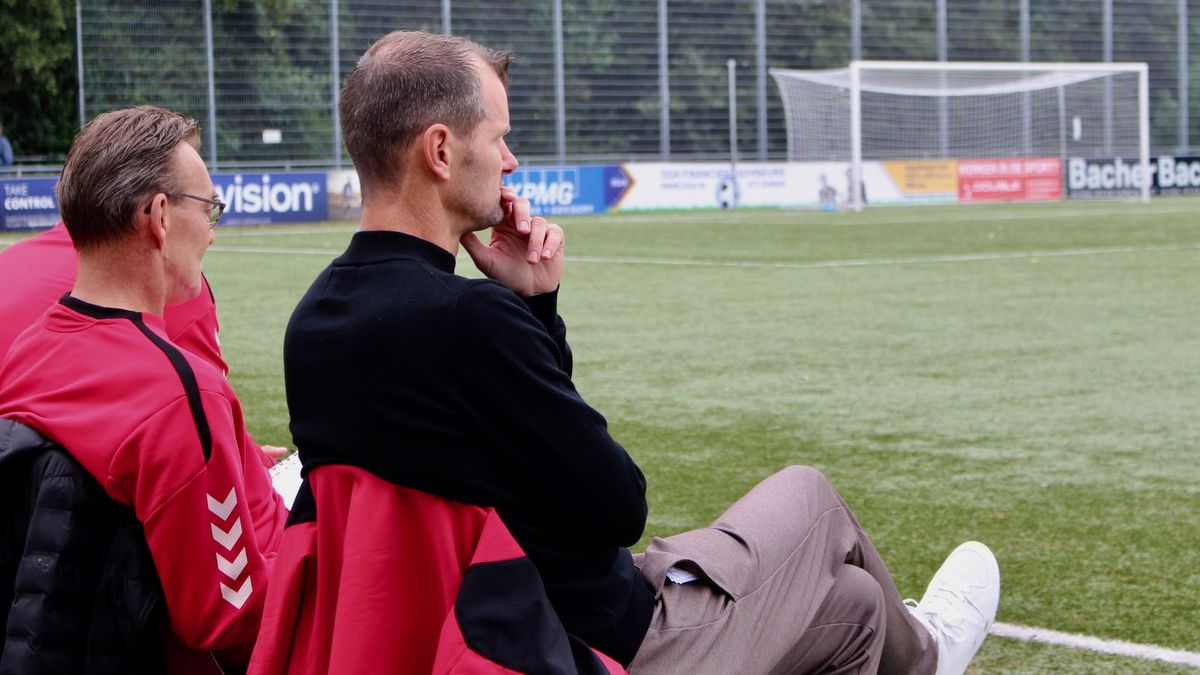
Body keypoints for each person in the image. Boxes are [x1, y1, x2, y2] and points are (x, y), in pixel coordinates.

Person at [283, 31, 999, 675]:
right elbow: (616, 505)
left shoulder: (311, 324)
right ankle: (929, 653)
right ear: (440, 151)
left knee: (855, 608)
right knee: (810, 497)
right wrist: (531, 311)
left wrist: (527, 307)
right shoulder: (468, 320)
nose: (510, 159)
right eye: (498, 137)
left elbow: (494, 477)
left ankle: (910, 649)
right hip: (596, 644)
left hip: (463, 636)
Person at [0, 106, 288, 672]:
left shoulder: (32, 349)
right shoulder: (182, 392)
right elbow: (228, 617)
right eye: (210, 209)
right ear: (159, 216)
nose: (211, 230)